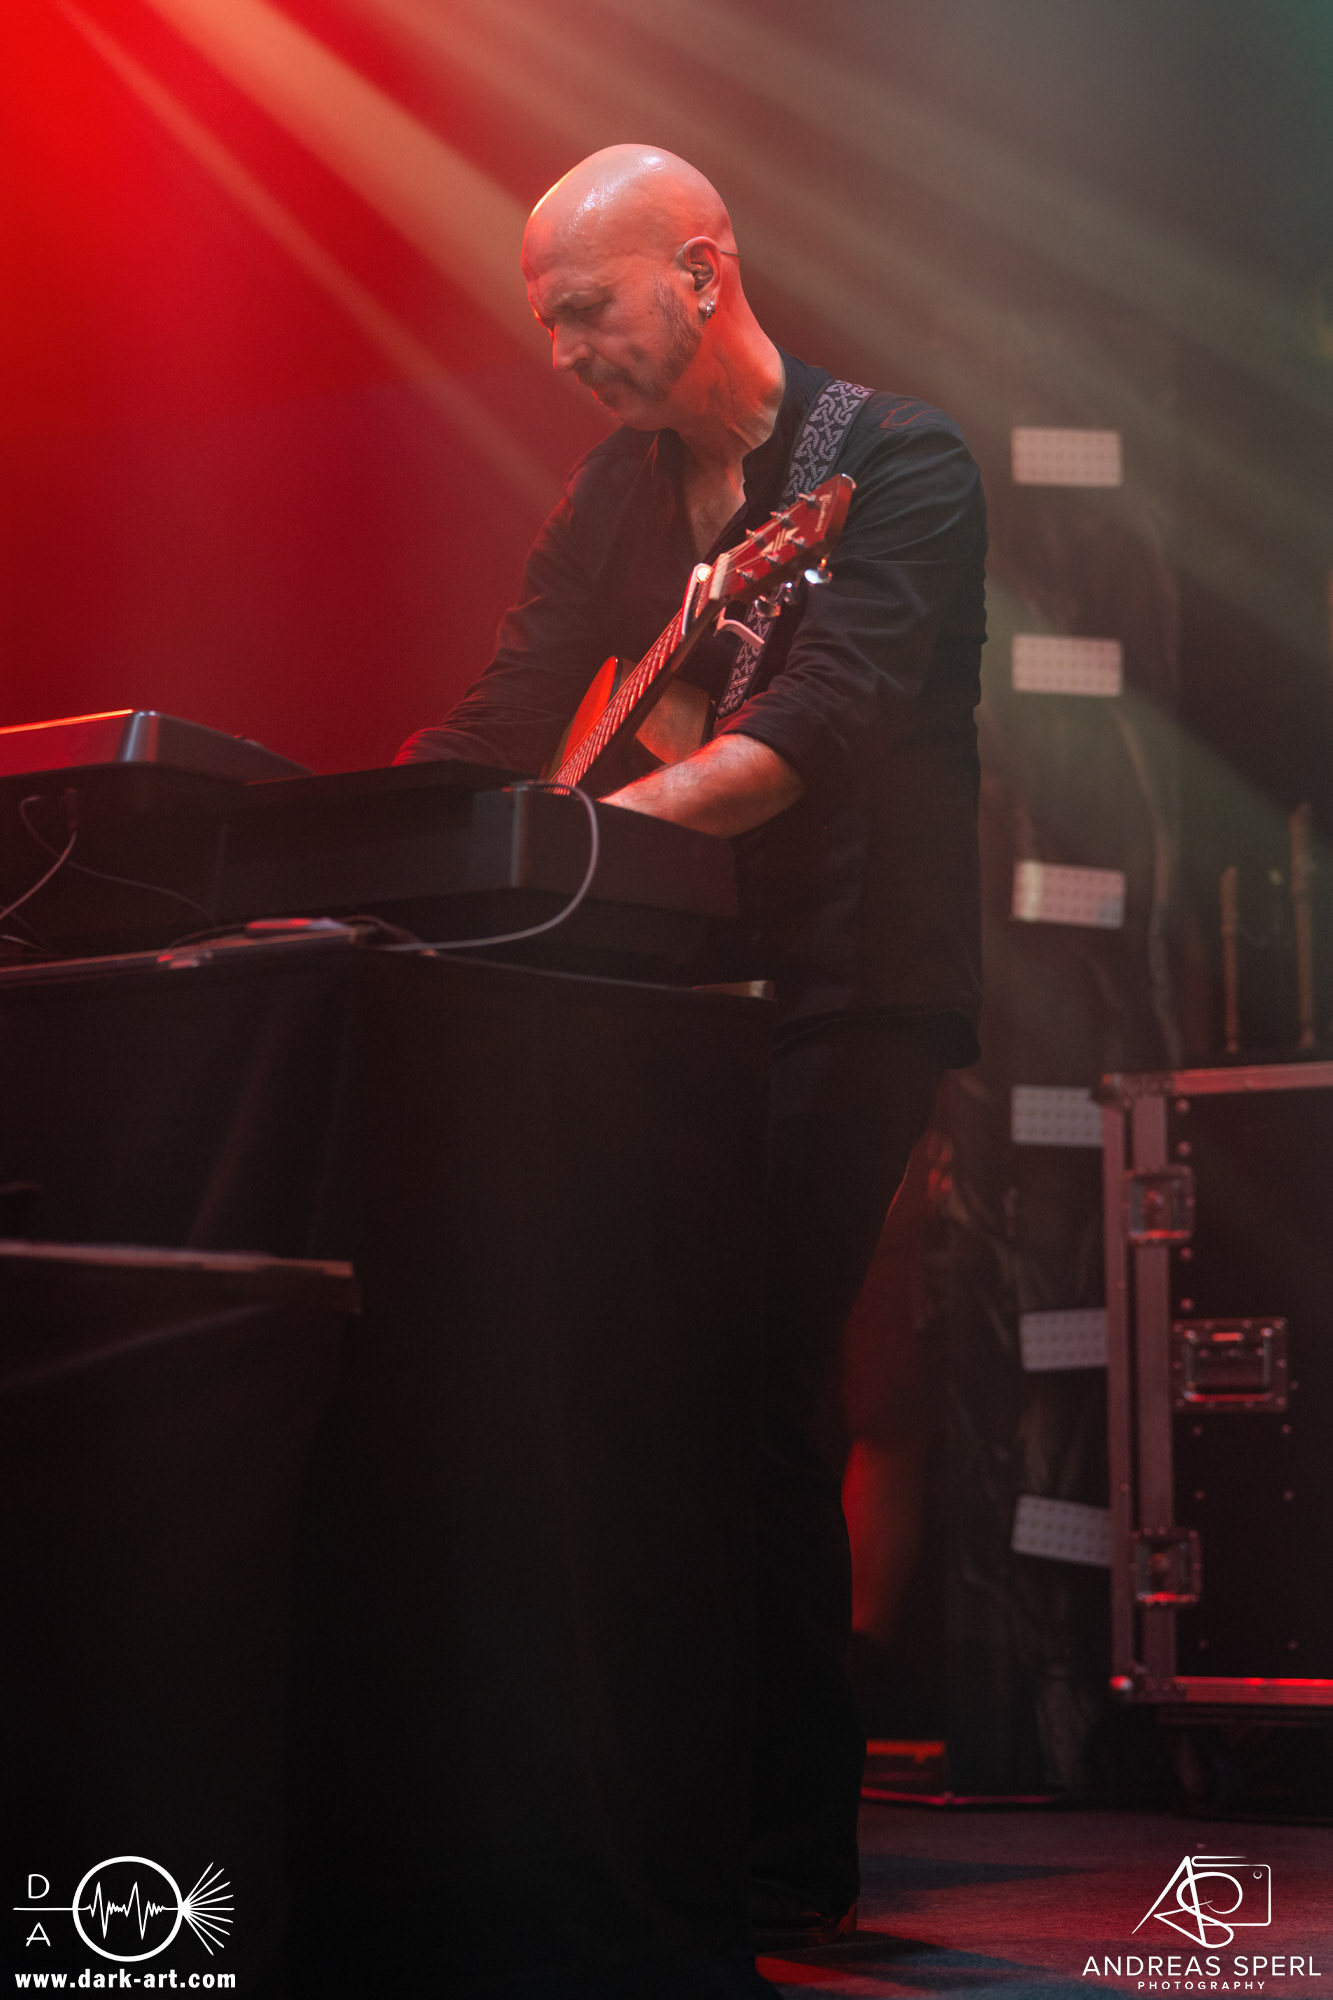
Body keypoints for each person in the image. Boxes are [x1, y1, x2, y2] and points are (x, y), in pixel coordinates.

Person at [398, 144, 986, 1952]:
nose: (563, 353)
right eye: (547, 323)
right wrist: (363, 850)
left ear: (701, 273)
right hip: (665, 985)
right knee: (637, 1385)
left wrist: (569, 845)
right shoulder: (618, 490)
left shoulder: (894, 466)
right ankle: (636, 1810)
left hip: (847, 992)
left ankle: (784, 1854)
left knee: (749, 1380)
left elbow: (810, 732)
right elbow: (511, 707)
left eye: (586, 311)